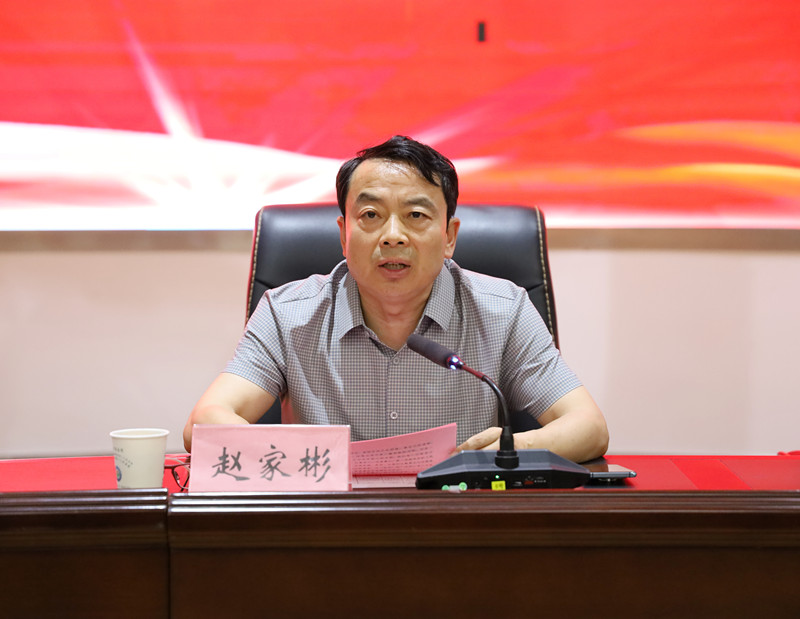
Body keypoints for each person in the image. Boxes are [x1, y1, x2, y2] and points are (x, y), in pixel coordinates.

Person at [183, 135, 608, 462]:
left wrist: (509, 449)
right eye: (370, 215)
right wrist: (305, 459)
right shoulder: (287, 313)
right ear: (344, 234)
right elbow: (205, 423)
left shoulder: (503, 311)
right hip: (328, 529)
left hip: (459, 525)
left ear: (449, 237)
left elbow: (588, 427)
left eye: (415, 215)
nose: (392, 236)